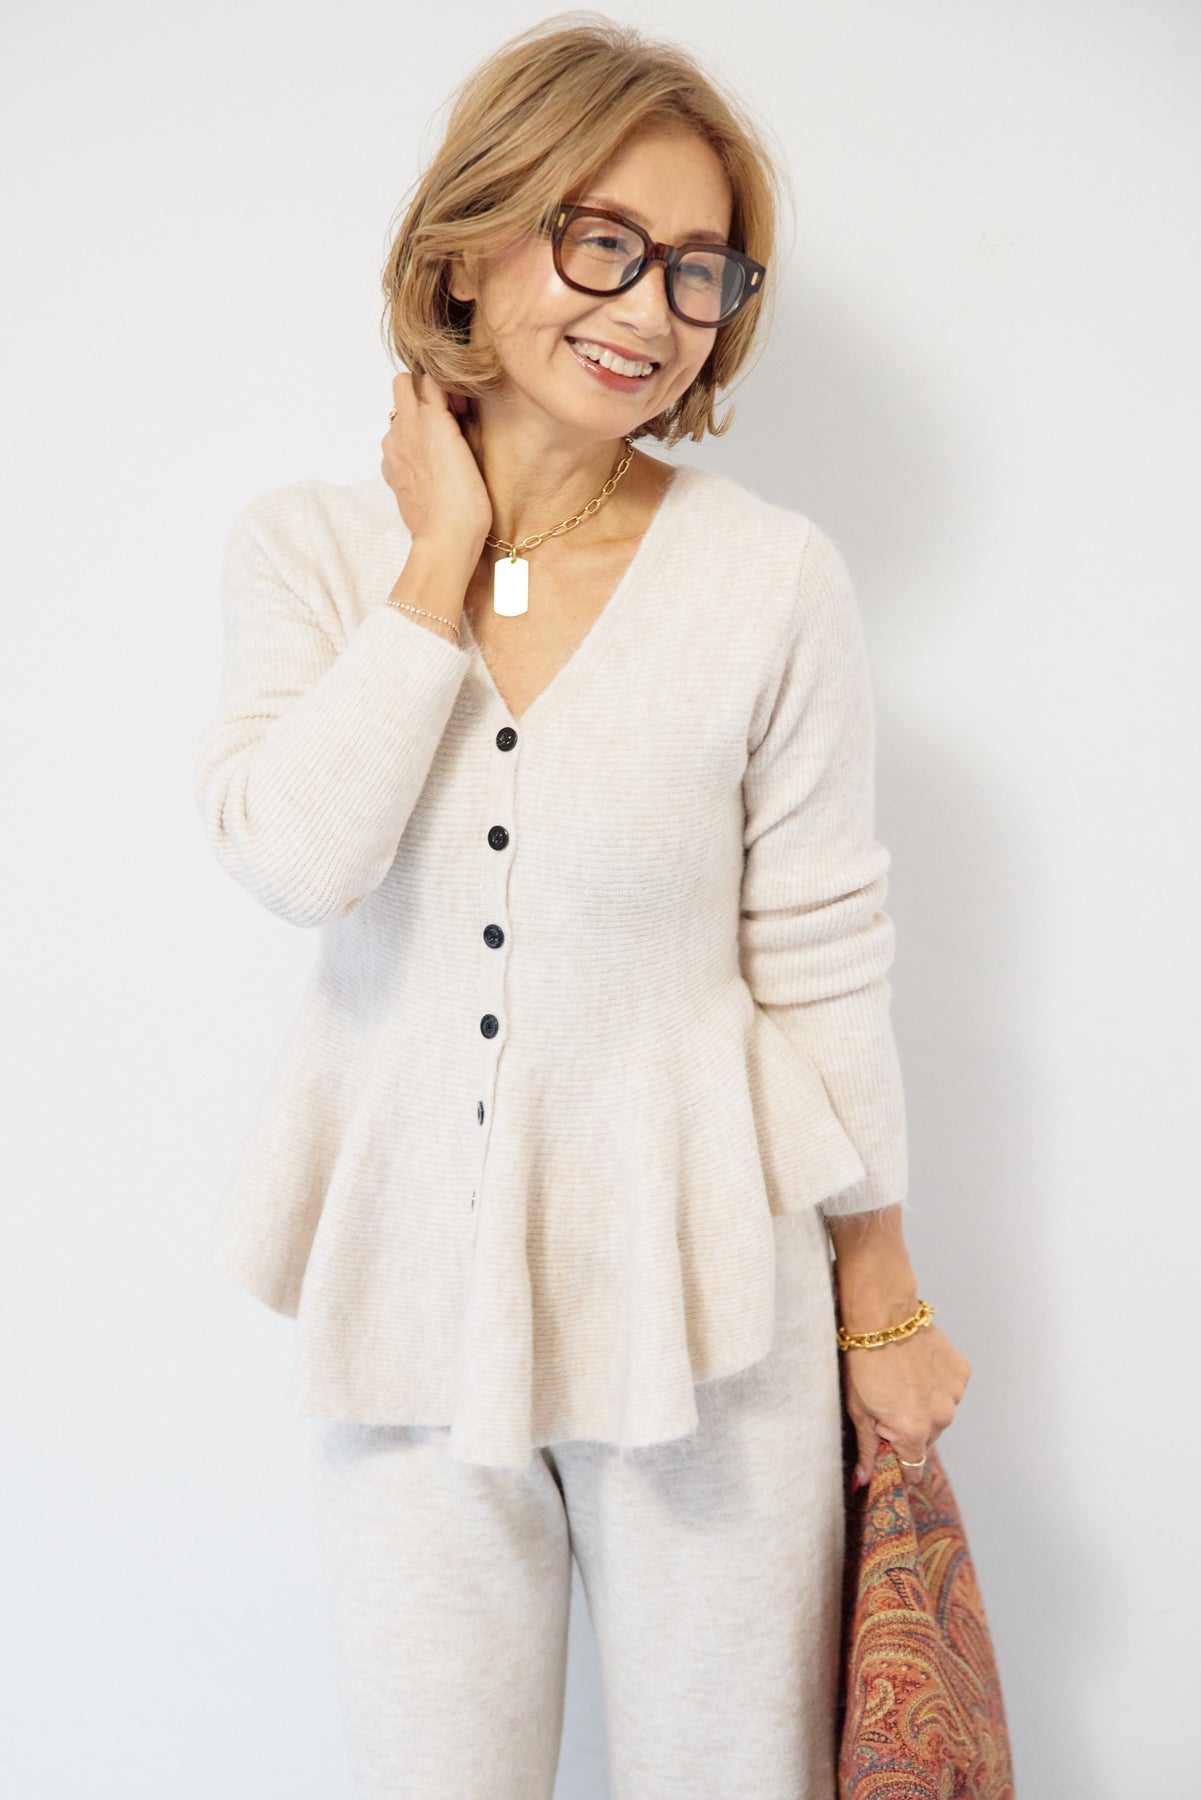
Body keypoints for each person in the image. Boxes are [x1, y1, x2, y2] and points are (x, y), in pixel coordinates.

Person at [193, 16, 970, 1799]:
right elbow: (293, 859)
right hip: (404, 1304)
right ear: (468, 245)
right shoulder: (308, 552)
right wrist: (436, 562)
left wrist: (881, 1295)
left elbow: (818, 948)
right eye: (600, 239)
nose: (650, 308)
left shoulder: (768, 578)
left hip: (707, 1303)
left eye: (698, 267)